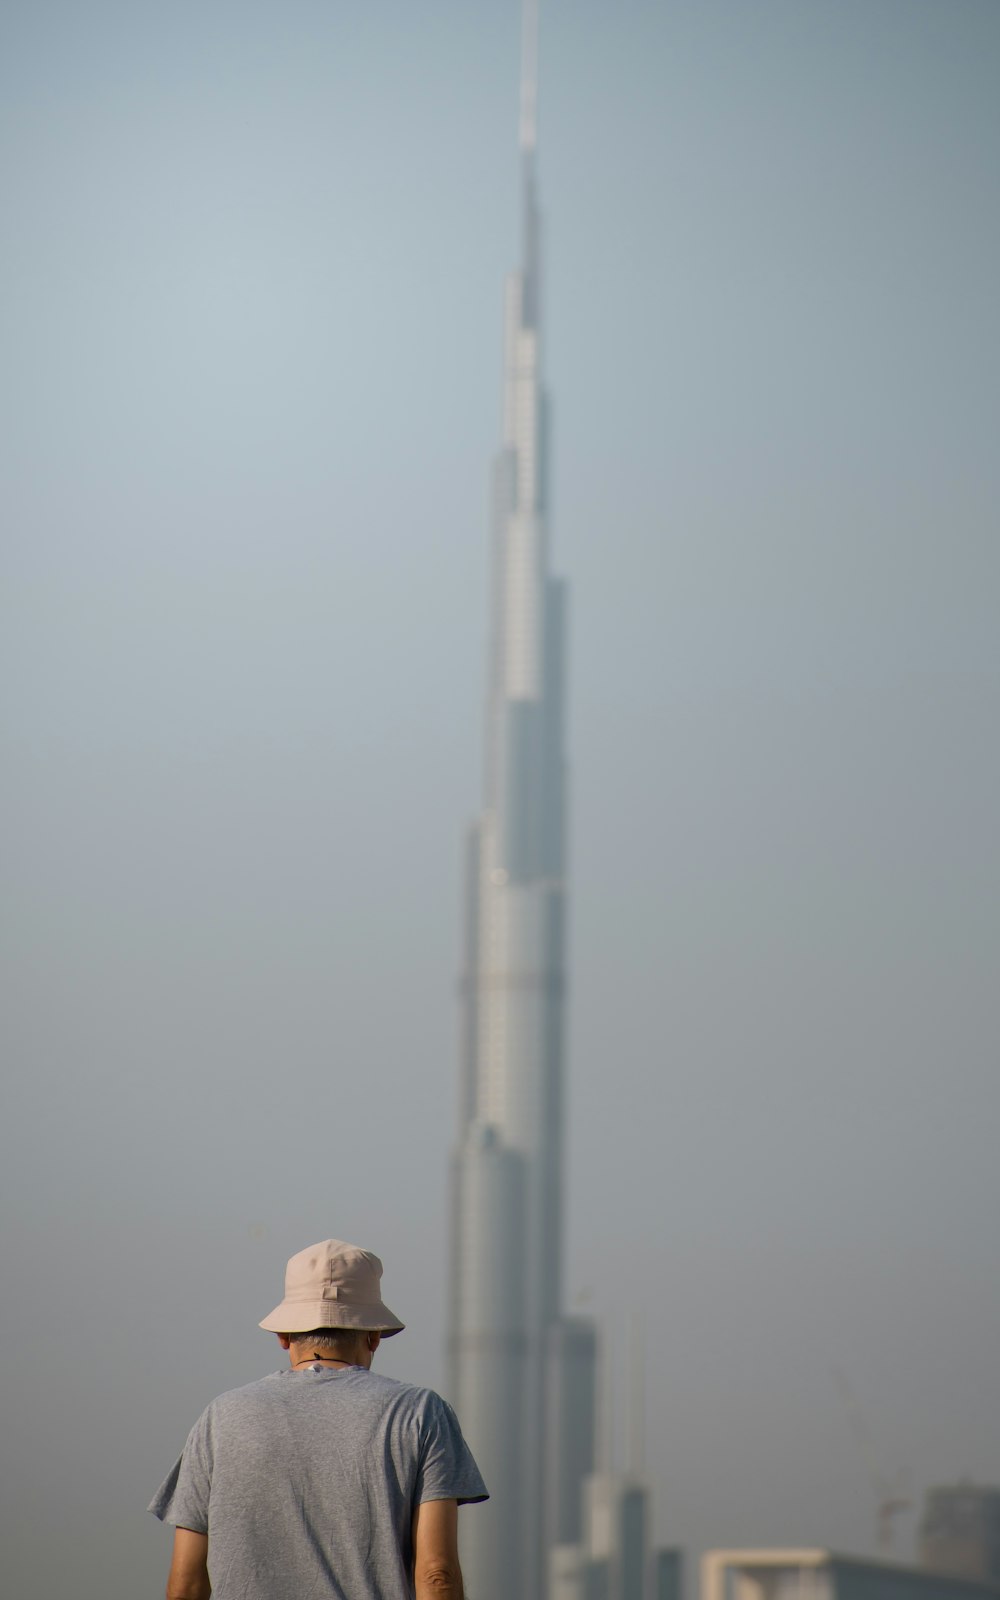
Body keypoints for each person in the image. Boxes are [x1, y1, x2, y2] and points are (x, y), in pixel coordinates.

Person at [149, 1237, 487, 1600]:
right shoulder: (421, 1413)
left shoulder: (221, 1417)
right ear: (374, 1336)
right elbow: (437, 1574)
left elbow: (185, 1584)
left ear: (282, 1335)